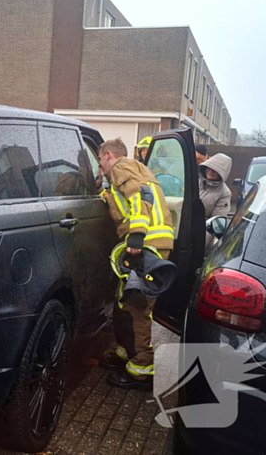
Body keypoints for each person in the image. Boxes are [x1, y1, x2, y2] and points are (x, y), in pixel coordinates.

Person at [96, 138, 175, 391]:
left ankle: (142, 370)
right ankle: (126, 352)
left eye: (99, 161)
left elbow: (141, 196)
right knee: (125, 301)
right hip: (153, 246)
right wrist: (102, 191)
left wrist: (137, 235)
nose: (101, 168)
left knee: (137, 307)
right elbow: (121, 204)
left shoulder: (121, 166)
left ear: (109, 155)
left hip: (146, 247)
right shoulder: (134, 170)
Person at [199, 153, 232, 255]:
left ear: (222, 173)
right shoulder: (195, 182)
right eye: (209, 168)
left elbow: (215, 223)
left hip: (202, 233)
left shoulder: (224, 193)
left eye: (215, 170)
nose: (210, 171)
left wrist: (199, 245)